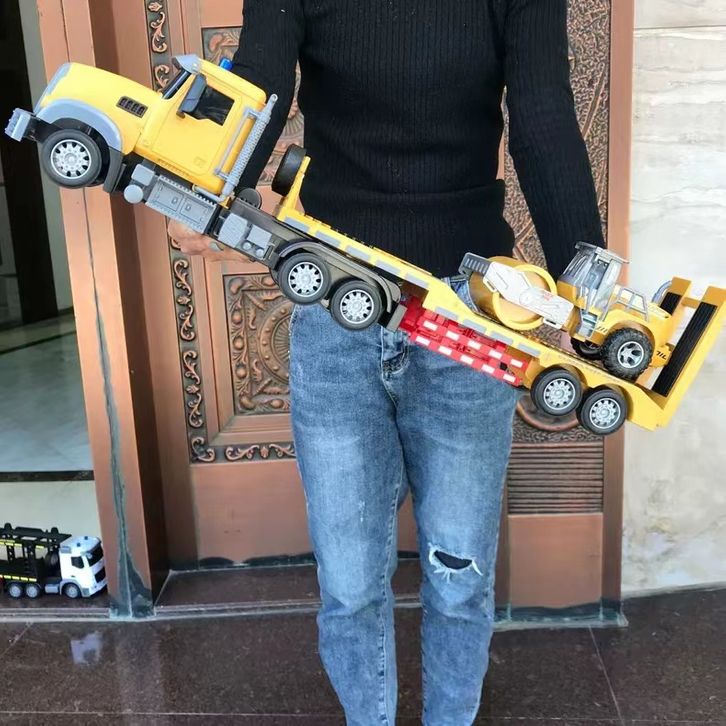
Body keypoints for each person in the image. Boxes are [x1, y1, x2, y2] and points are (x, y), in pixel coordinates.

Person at [169, 1, 604, 723]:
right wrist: (208, 181)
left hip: (469, 312)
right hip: (336, 300)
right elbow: (261, 81)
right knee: (348, 584)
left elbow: (543, 117)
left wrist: (590, 294)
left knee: (460, 575)